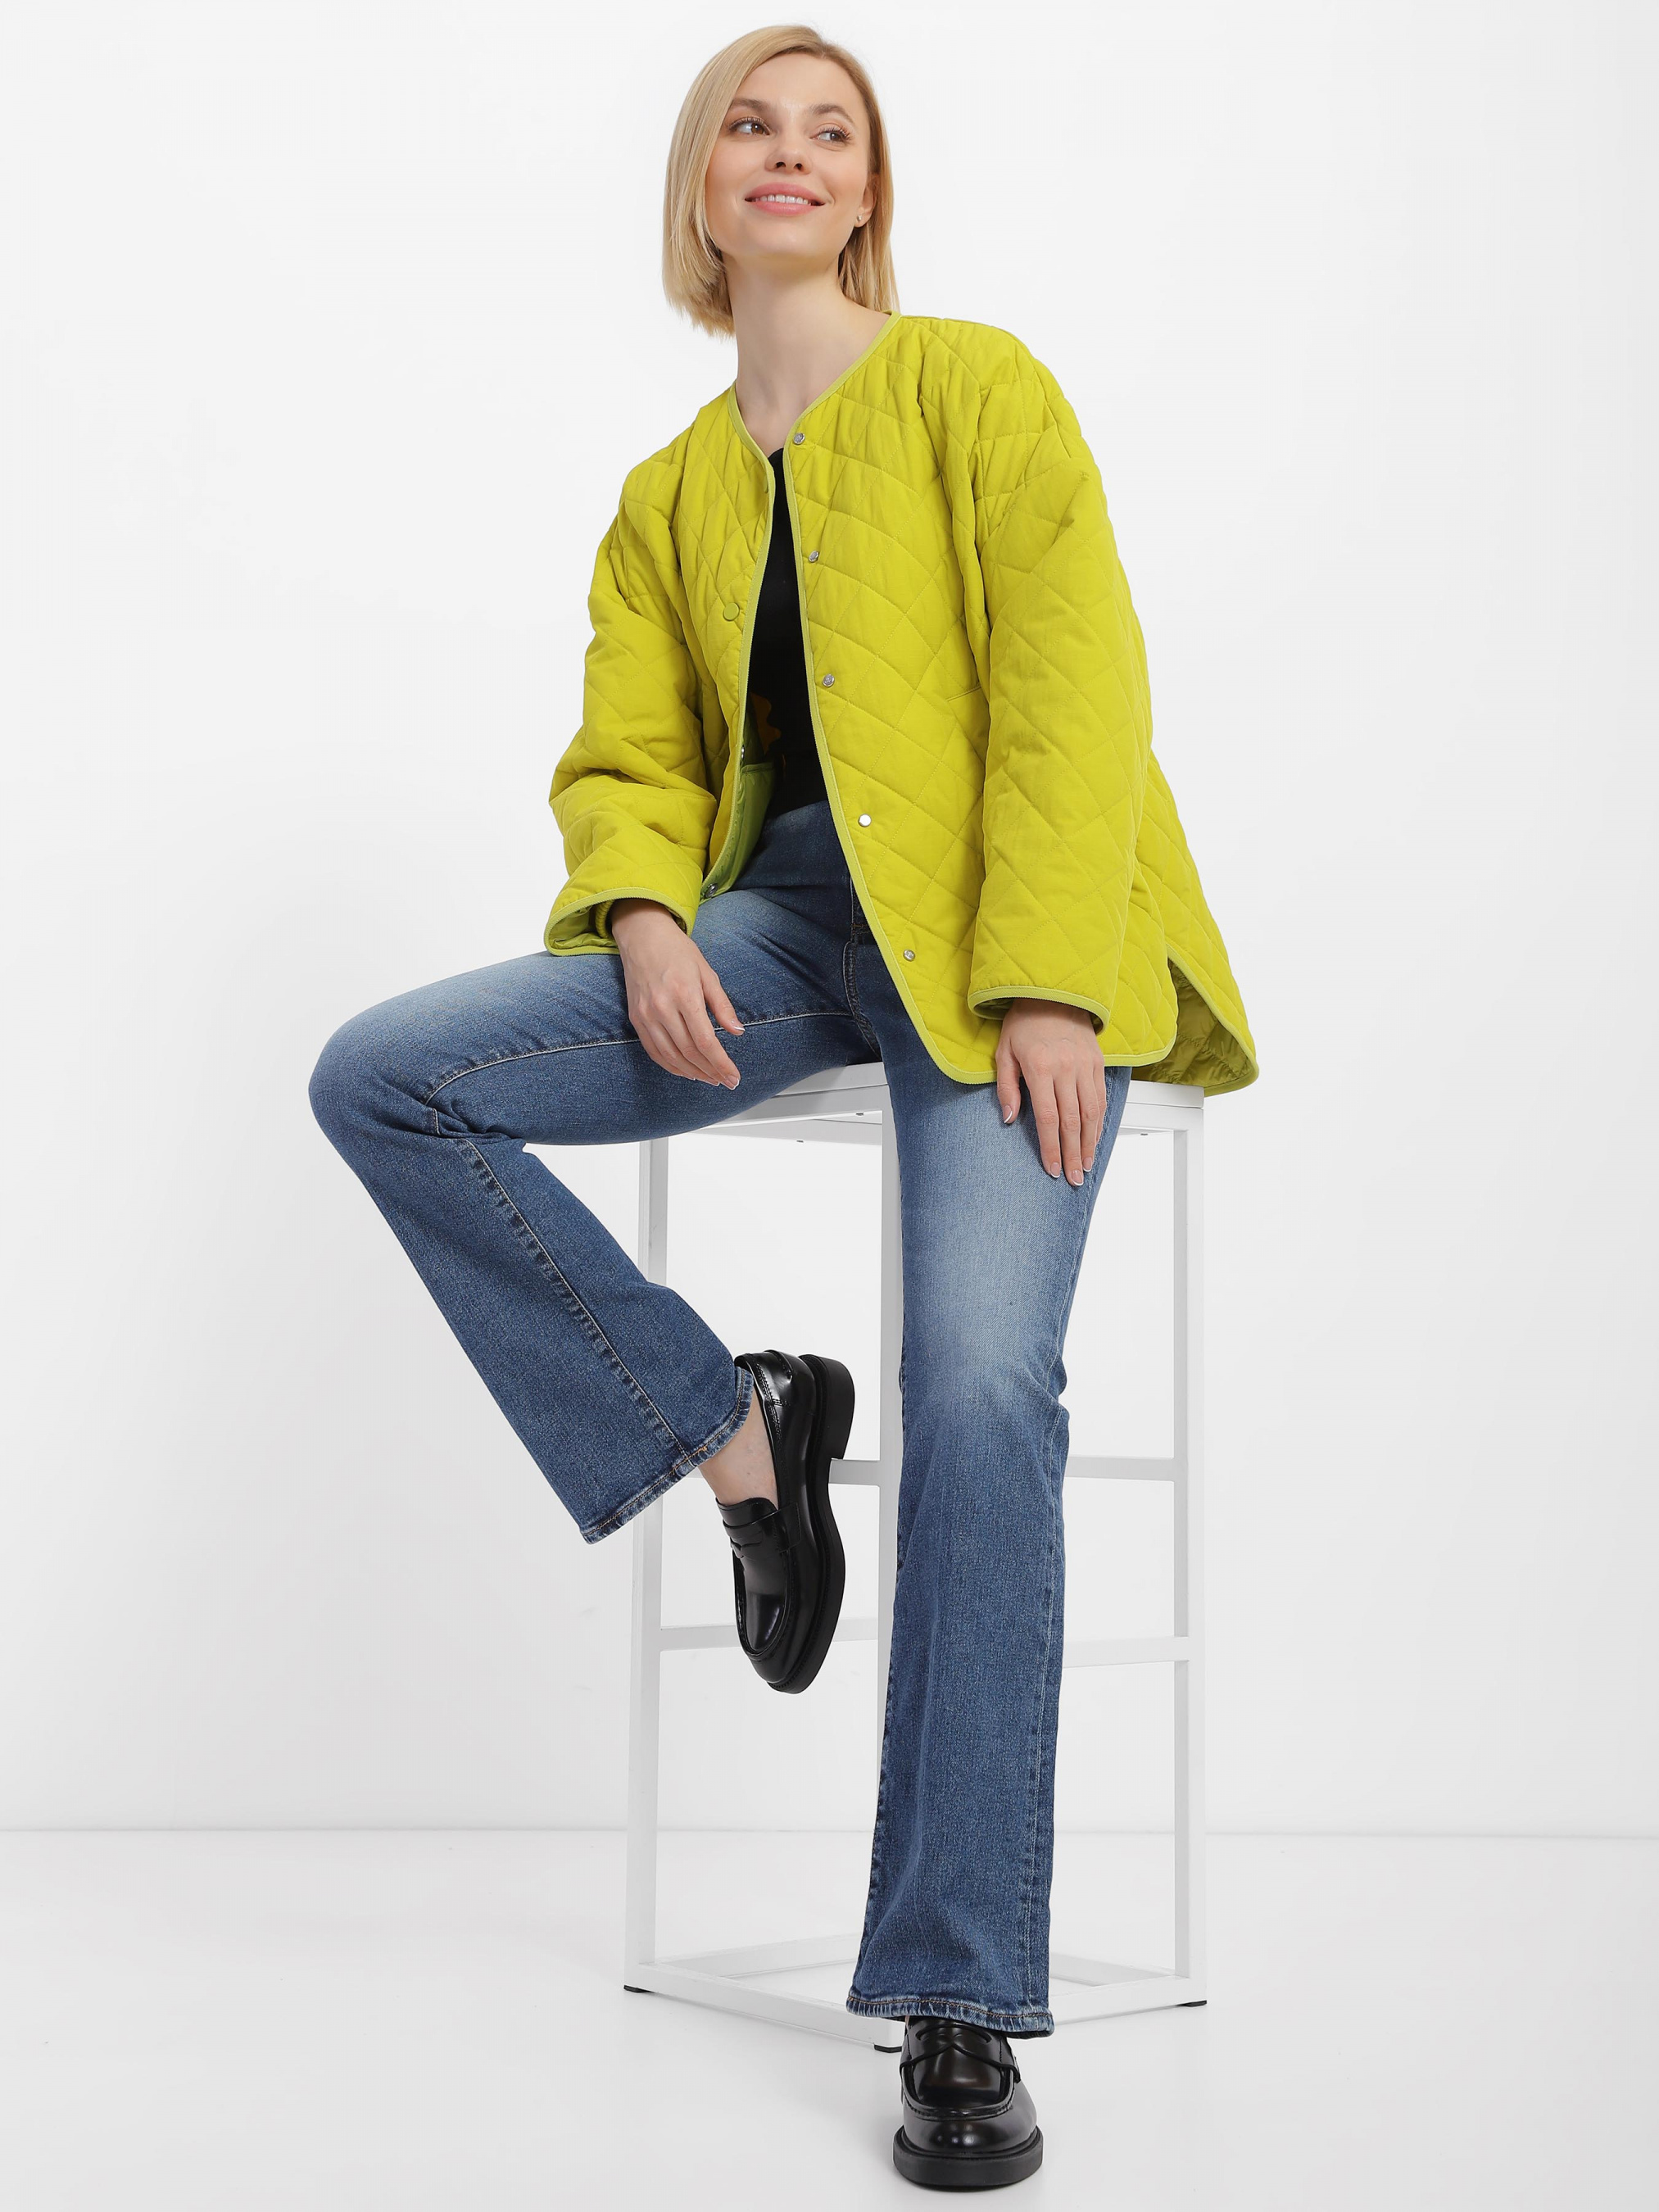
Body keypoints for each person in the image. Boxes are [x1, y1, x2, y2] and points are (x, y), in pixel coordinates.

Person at [308, 24, 1258, 2192]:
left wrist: (1046, 976)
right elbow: (631, 749)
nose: (791, 153)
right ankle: (733, 1428)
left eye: (833, 130)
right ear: (701, 182)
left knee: (985, 1387)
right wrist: (645, 908)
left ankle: (956, 1989)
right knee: (391, 1077)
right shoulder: (665, 493)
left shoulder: (978, 391)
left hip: (1004, 935)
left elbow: (1074, 688)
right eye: (753, 120)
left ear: (868, 191)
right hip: (782, 930)